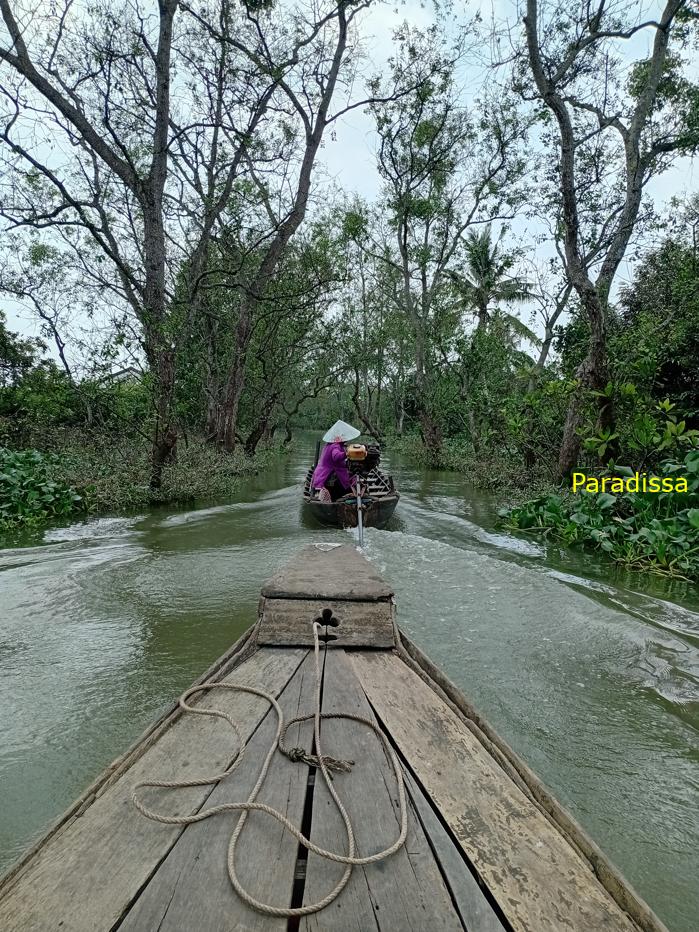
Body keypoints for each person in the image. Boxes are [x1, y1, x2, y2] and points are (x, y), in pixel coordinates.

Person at [311, 420, 360, 502]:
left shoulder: (329, 444)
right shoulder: (335, 446)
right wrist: (347, 453)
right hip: (328, 474)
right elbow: (336, 457)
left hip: (322, 472)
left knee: (349, 476)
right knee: (349, 485)